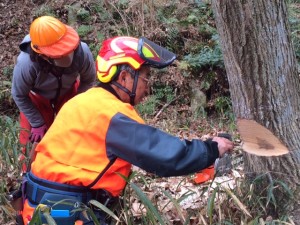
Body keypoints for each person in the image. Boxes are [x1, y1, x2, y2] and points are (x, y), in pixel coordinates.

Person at [21, 36, 234, 225]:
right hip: (65, 213)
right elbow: (164, 156)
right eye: (146, 77)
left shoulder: (83, 101)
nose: (148, 88)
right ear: (124, 78)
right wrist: (212, 149)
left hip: (40, 205)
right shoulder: (111, 114)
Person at [11, 15, 96, 171]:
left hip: (69, 90)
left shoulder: (82, 52)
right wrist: (37, 122)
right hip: (37, 97)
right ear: (43, 55)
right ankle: (27, 177)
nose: (67, 55)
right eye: (60, 54)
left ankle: (71, 169)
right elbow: (18, 94)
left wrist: (76, 105)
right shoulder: (27, 63)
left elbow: (89, 80)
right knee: (32, 139)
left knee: (75, 131)